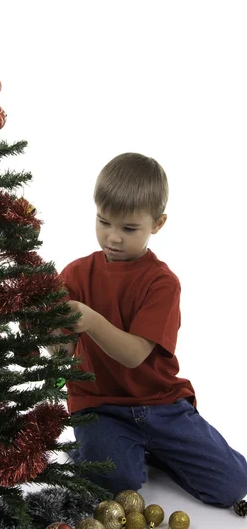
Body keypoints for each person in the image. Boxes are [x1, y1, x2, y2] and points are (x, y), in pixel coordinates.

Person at [47, 152, 247, 508]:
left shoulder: (161, 282)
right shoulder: (75, 275)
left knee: (233, 485)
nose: (113, 237)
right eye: (104, 222)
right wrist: (45, 329)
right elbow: (61, 354)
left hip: (162, 404)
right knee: (115, 486)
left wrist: (92, 320)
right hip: (100, 405)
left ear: (158, 224)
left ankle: (152, 449)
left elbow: (135, 355)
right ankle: (106, 449)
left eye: (129, 228)